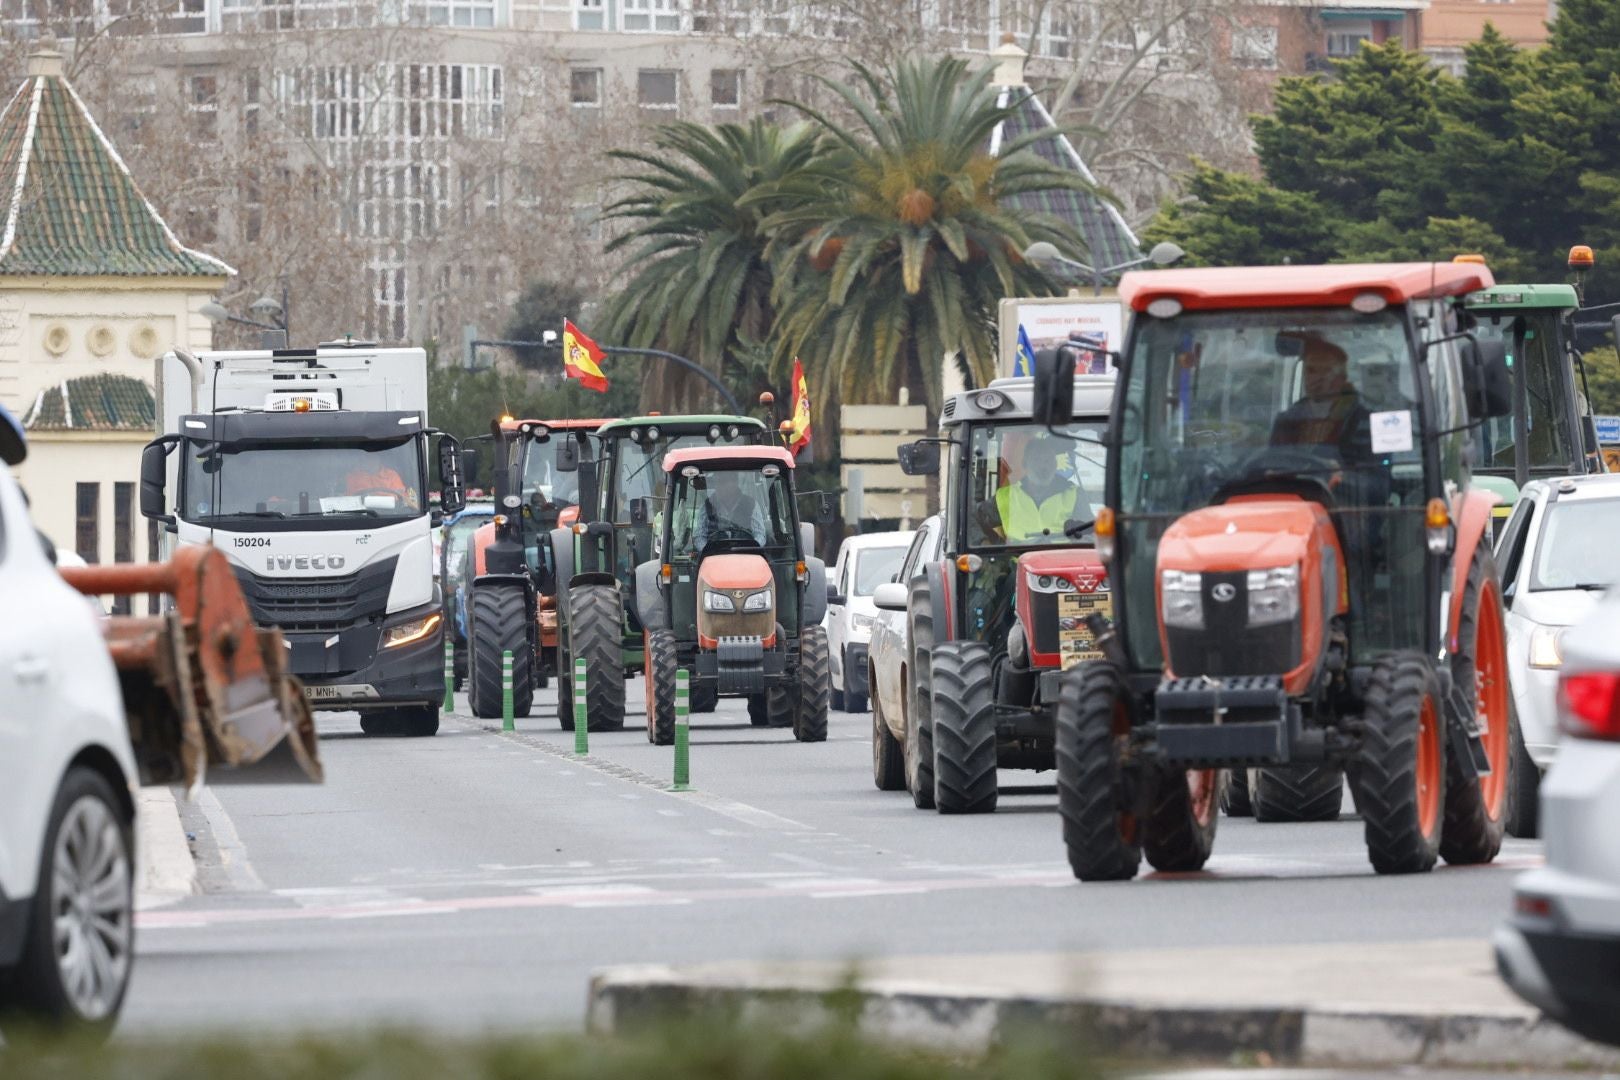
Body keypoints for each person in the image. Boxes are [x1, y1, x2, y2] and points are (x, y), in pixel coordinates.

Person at [1270, 335, 1373, 464]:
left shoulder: (1363, 421)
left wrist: (1341, 474)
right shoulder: (1285, 422)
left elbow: (1375, 476)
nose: (1317, 377)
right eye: (1311, 370)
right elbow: (1272, 464)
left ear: (1341, 378)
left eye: (1326, 370)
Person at [986, 436, 1088, 542]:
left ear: (1055, 465)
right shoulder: (1005, 497)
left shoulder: (1075, 495)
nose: (1043, 466)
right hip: (1019, 558)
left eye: (1048, 460)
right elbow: (974, 520)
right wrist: (986, 543)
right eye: (1037, 459)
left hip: (1063, 558)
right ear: (1025, 464)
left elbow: (1089, 534)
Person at [694, 470, 769, 550]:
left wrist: (750, 548)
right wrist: (707, 550)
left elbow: (760, 535)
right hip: (714, 557)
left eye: (723, 482)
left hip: (746, 557)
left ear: (735, 482)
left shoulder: (752, 505)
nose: (718, 486)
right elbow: (699, 537)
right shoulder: (707, 506)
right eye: (717, 482)